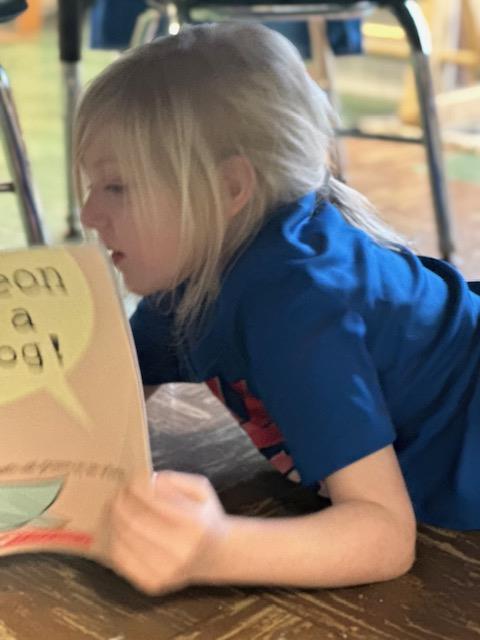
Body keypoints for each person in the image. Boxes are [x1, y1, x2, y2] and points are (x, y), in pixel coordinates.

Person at [74, 22, 480, 597]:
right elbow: (105, 393)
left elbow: (385, 535)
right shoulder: (193, 265)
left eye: (116, 187)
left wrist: (215, 547)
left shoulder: (298, 310)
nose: (89, 214)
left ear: (229, 189)